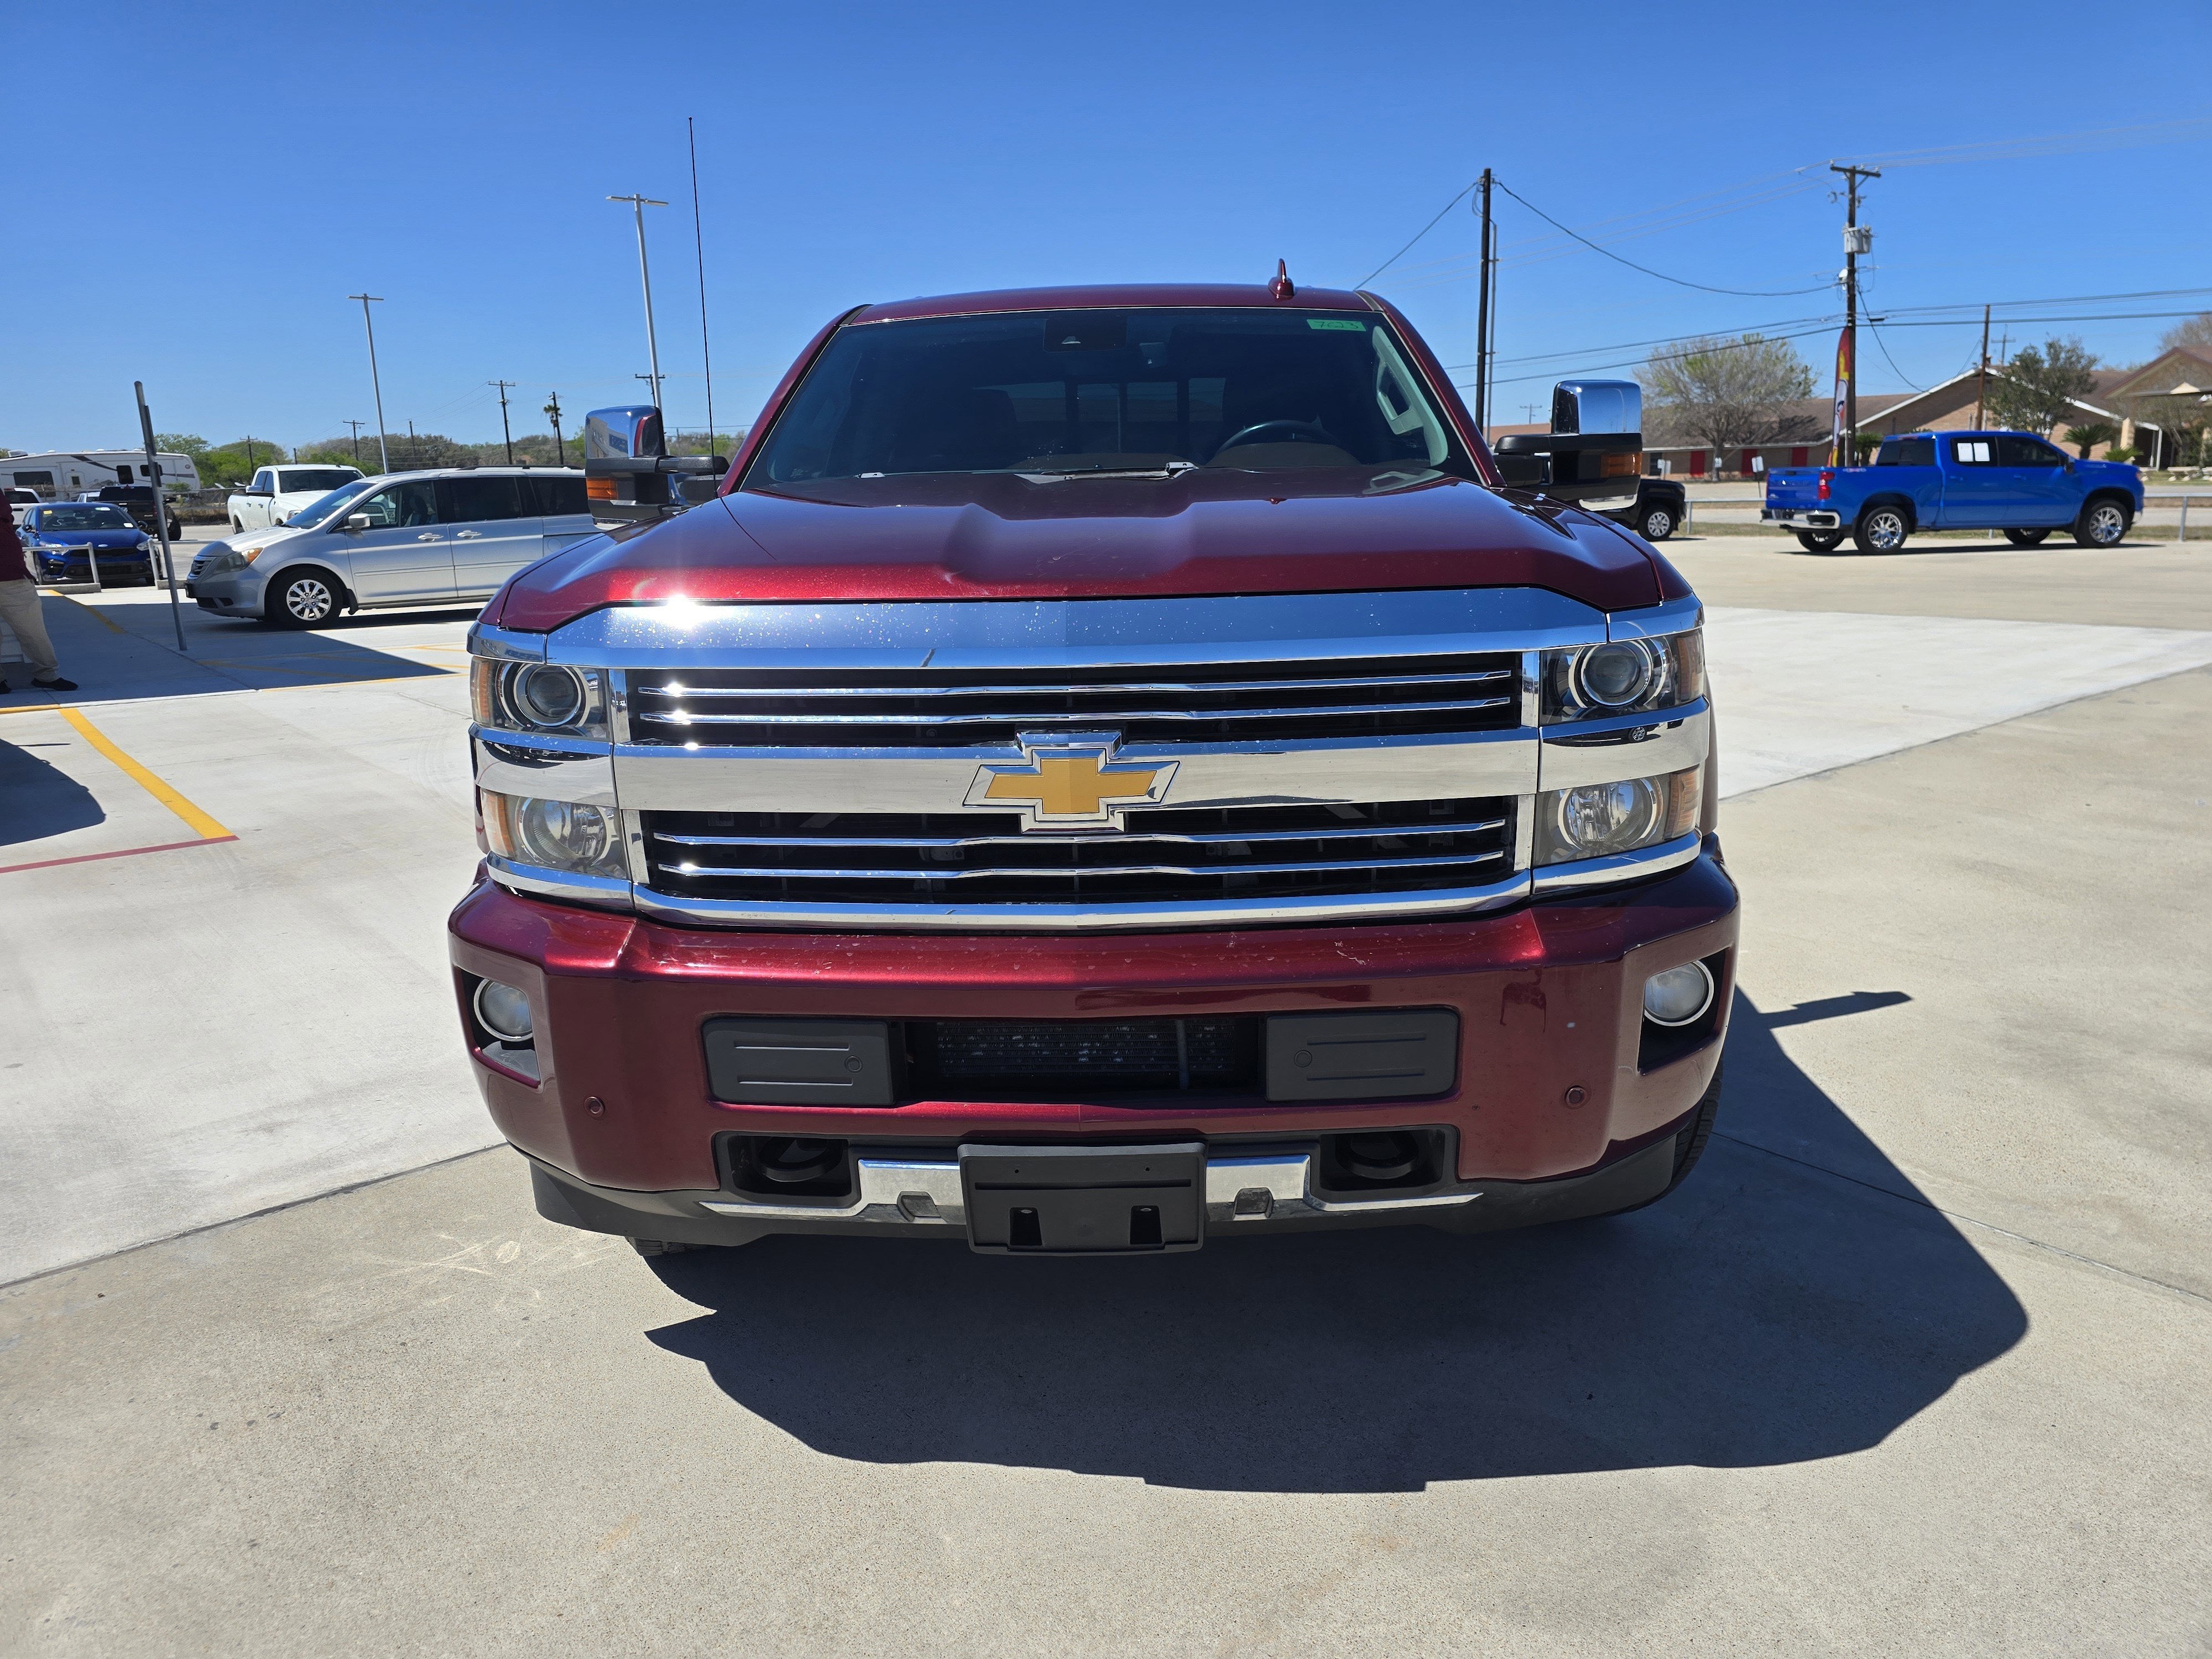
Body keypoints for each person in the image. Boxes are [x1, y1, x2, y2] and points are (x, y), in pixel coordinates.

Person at [0, 505, 79, 694]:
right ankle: (46, 676)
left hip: (13, 577)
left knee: (34, 632)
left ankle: (47, 675)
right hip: (12, 574)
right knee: (33, 632)